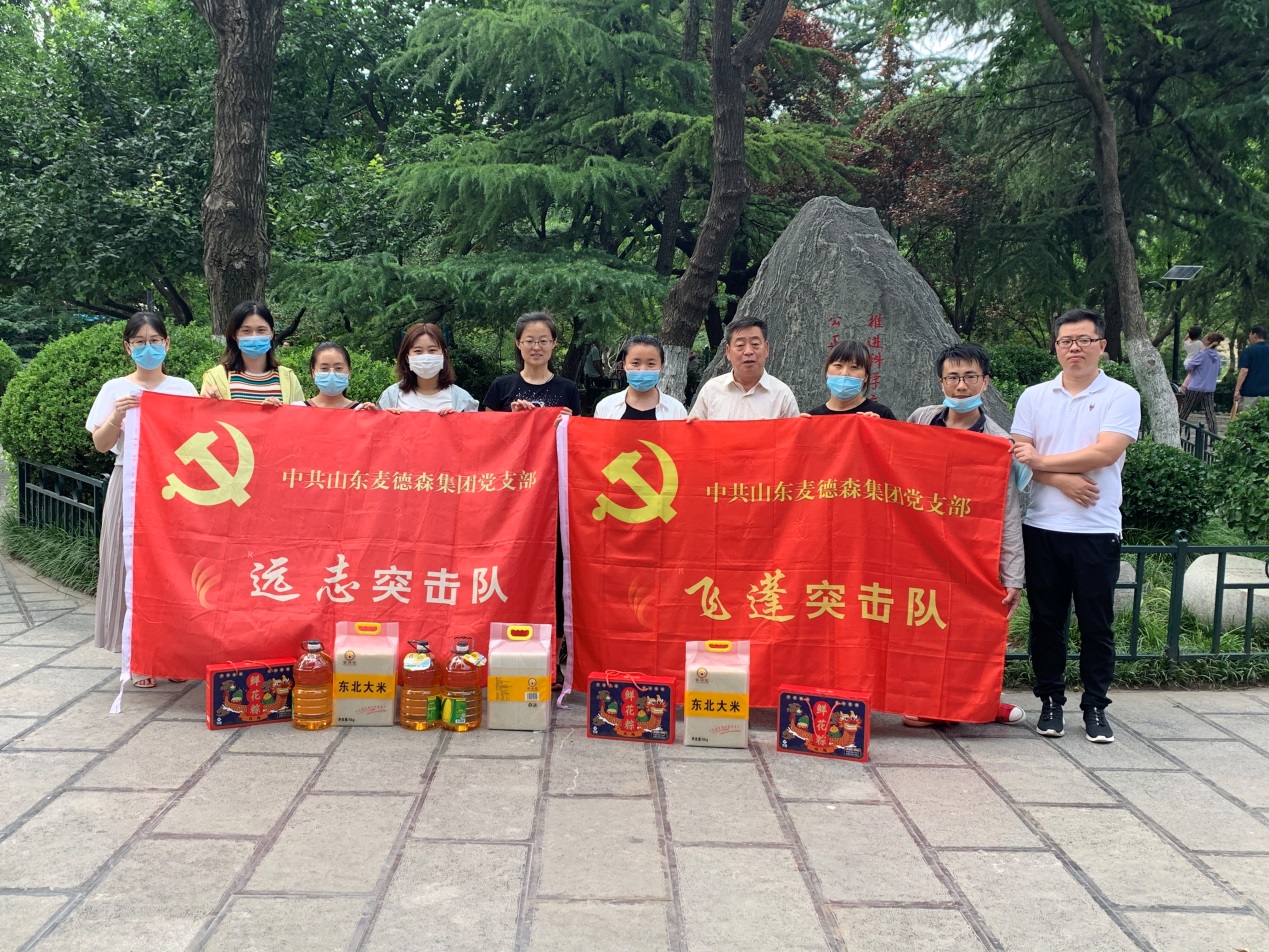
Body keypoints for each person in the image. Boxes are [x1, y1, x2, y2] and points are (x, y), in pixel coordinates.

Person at [1011, 309, 1140, 744]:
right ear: (1056, 348)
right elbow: (1019, 458)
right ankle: (1050, 702)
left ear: (1102, 346)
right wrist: (1061, 480)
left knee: (1096, 624)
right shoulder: (1034, 397)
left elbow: (1105, 453)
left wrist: (1044, 464)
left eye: (1084, 340)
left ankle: (1095, 707)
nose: (1074, 348)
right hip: (1042, 525)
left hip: (1096, 529)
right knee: (1046, 622)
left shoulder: (1121, 395)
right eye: (1066, 341)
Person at [904, 343, 1025, 728]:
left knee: (965, 629)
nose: (961, 386)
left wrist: (1014, 576)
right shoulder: (922, 420)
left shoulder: (997, 442)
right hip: (921, 547)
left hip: (971, 552)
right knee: (920, 626)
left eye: (970, 377)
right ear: (941, 382)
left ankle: (967, 702)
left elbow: (1007, 511)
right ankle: (924, 699)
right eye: (953, 377)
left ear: (985, 382)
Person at [87, 312, 199, 688]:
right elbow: (101, 444)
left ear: (167, 344)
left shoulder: (183, 388)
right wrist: (117, 416)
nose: (147, 348)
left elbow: (198, 437)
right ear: (127, 347)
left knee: (172, 568)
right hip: (130, 482)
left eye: (154, 341)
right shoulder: (115, 389)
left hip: (173, 488)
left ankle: (172, 653)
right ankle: (139, 657)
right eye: (139, 341)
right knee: (128, 564)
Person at [687, 317, 799, 420]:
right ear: (728, 352)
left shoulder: (782, 394)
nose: (748, 352)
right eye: (740, 345)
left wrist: (802, 426)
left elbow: (794, 434)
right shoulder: (711, 390)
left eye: (755, 344)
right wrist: (692, 427)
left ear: (766, 349)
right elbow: (694, 433)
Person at [200, 301, 304, 404]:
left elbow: (300, 413)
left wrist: (276, 411)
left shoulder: (289, 378)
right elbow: (204, 413)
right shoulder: (215, 377)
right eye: (246, 331)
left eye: (261, 330)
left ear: (272, 333)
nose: (254, 336)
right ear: (234, 335)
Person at [483, 311, 582, 415]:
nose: (536, 347)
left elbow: (577, 425)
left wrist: (568, 422)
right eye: (529, 341)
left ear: (553, 343)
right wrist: (514, 417)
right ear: (518, 343)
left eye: (543, 341)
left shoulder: (568, 388)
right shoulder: (501, 385)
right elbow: (488, 424)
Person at [378, 323, 479, 413]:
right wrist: (378, 416)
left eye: (432, 350)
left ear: (444, 354)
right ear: (407, 357)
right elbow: (376, 427)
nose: (426, 356)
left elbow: (474, 428)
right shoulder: (390, 397)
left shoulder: (463, 400)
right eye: (418, 351)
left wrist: (457, 421)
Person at [593, 335, 687, 420]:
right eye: (635, 363)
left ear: (661, 366)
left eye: (651, 364)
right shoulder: (605, 407)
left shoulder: (676, 410)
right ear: (624, 365)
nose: (643, 370)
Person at [803, 340, 896, 419]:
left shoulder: (882, 415)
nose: (844, 373)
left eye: (854, 367)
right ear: (827, 370)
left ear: (866, 377)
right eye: (838, 365)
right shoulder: (813, 418)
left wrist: (879, 428)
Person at [294, 342, 377, 411]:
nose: (332, 374)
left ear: (349, 372)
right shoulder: (297, 410)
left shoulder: (361, 411)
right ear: (313, 373)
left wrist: (375, 418)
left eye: (338, 368)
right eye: (324, 368)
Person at [1178, 332, 1224, 432]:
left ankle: (1177, 430)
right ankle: (1214, 435)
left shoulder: (1203, 354)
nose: (1202, 339)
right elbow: (1219, 371)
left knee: (1185, 410)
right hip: (1209, 388)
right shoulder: (1217, 356)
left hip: (1196, 387)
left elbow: (1189, 366)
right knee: (1210, 412)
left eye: (1205, 338)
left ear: (1209, 341)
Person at [1234, 324, 1269, 412]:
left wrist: (1237, 390)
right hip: (1267, 394)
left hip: (1250, 393)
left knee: (1247, 418)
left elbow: (1244, 371)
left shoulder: (1249, 351)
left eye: (1250, 334)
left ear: (1254, 335)